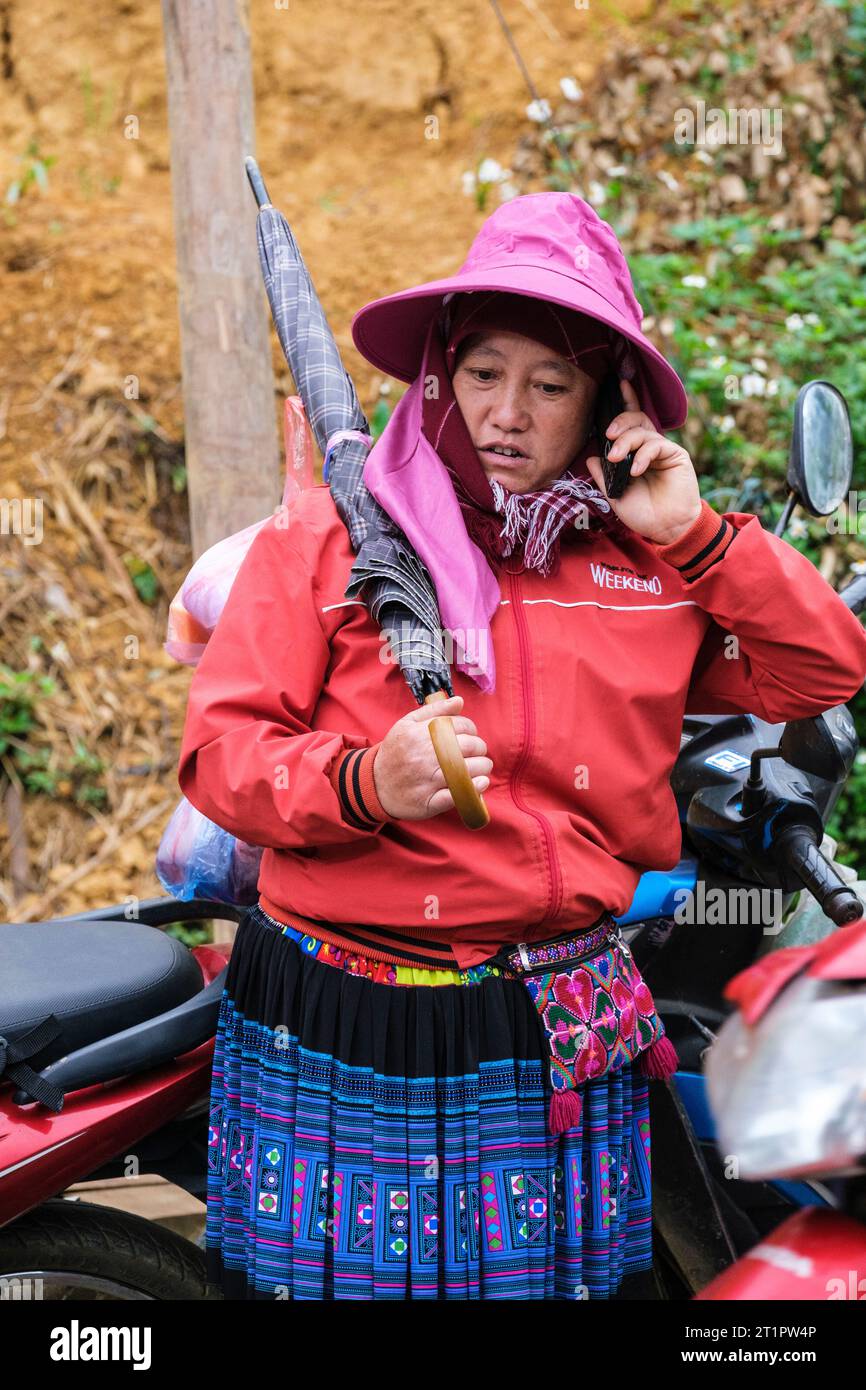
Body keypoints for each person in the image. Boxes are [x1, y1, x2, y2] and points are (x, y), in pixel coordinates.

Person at [177, 192, 866, 1300]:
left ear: (606, 408)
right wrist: (366, 780)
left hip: (549, 1020)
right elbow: (221, 753)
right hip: (351, 1012)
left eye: (550, 385)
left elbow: (819, 669)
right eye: (484, 372)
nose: (507, 412)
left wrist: (691, 535)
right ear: (441, 373)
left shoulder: (642, 567)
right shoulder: (336, 536)